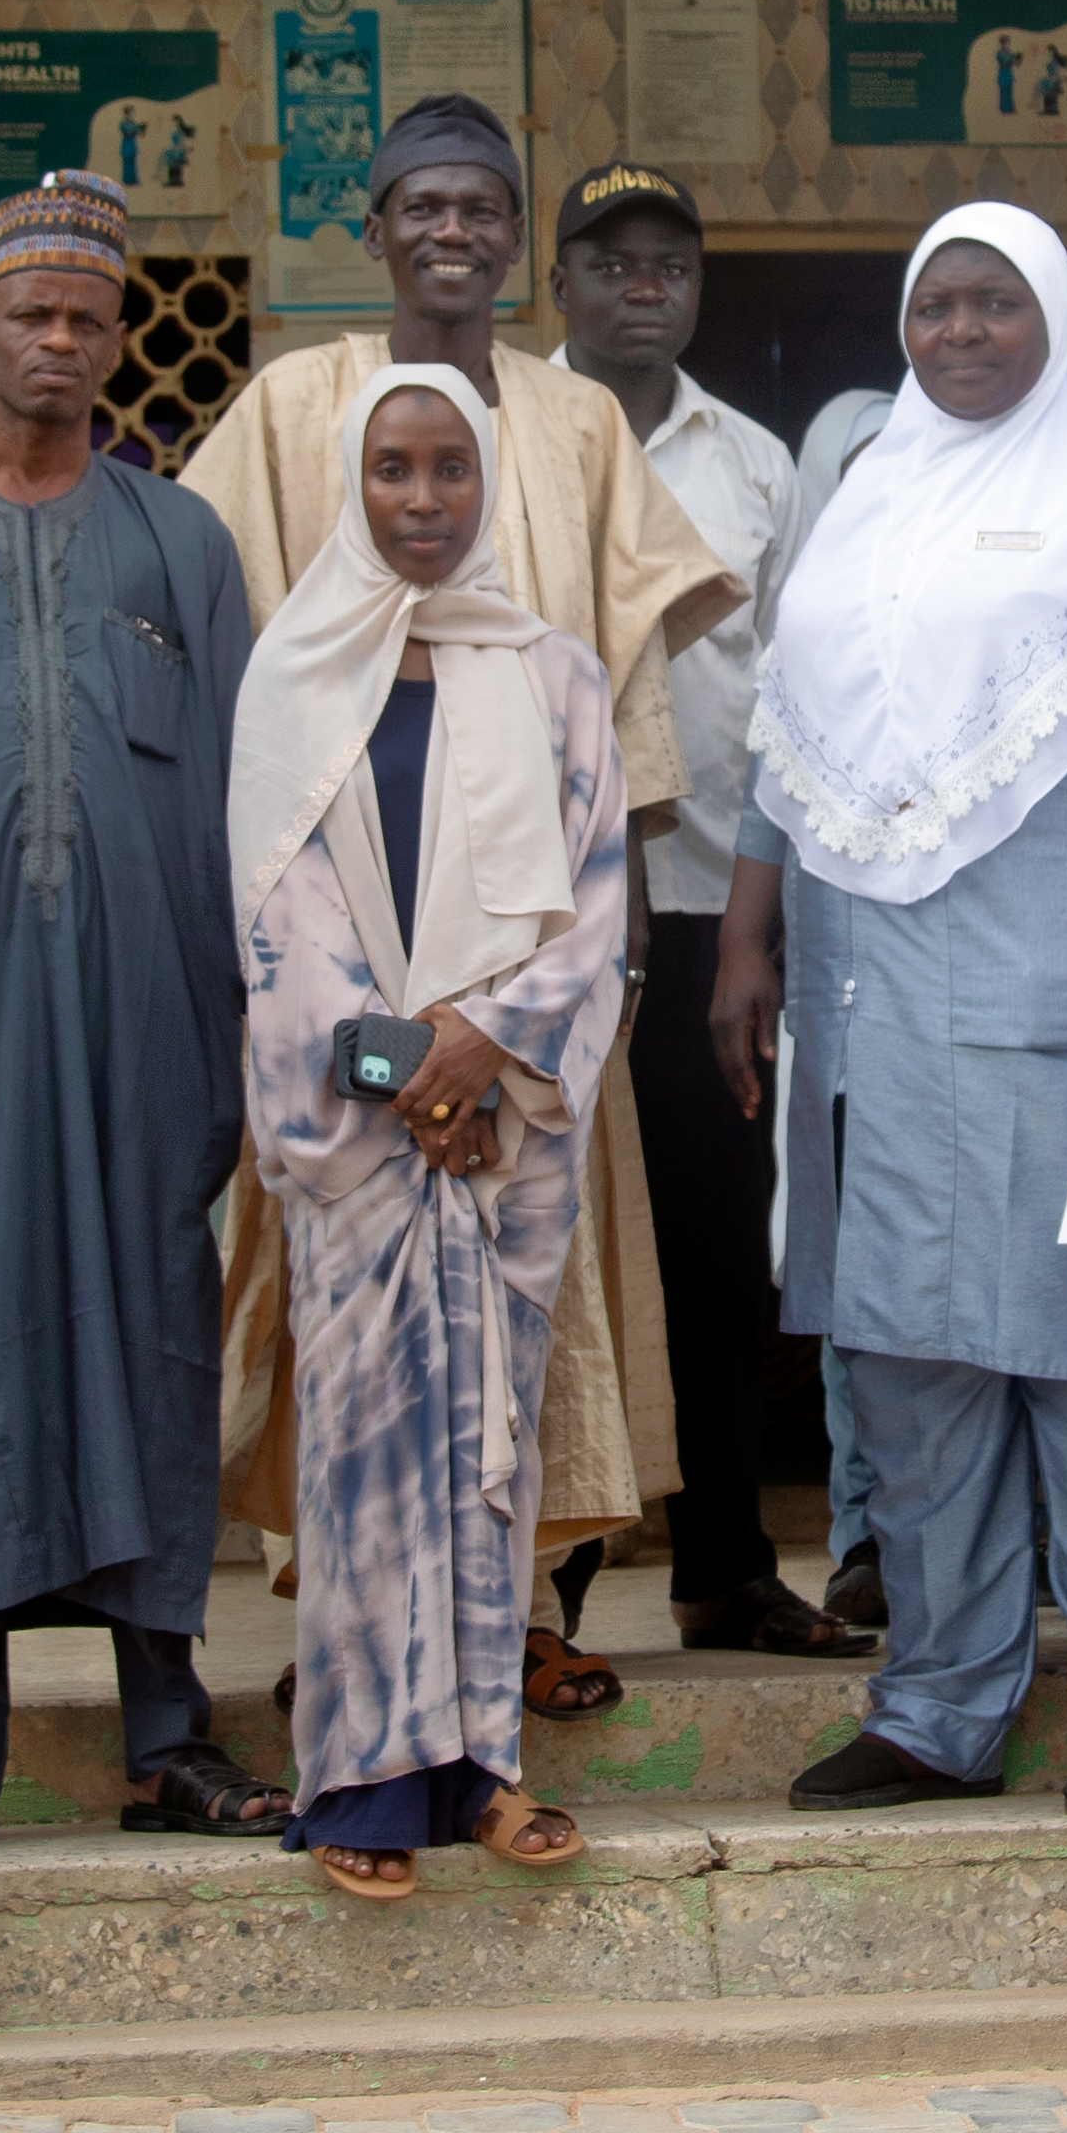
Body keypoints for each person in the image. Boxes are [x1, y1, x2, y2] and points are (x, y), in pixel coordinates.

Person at [184, 91, 742, 1715]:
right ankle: (340, 1619)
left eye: (480, 207)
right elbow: (227, 633)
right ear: (371, 229)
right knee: (346, 1267)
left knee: (544, 1268)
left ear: (514, 236)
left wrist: (611, 941)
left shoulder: (574, 426)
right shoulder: (296, 407)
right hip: (349, 935)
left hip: (537, 953)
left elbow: (624, 684)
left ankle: (526, 1611)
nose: (451, 231)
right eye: (419, 204)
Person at [712, 204, 1067, 1817]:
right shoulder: (867, 494)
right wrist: (747, 940)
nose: (957, 333)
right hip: (865, 1004)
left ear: (1054, 320)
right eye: (932, 305)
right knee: (908, 1368)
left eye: (993, 303)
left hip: (1055, 997)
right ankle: (935, 1707)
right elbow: (781, 735)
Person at [0, 171, 284, 1858]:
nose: (55, 340)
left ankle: (167, 1731)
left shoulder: (177, 540)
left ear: (117, 341)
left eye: (85, 319)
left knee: (148, 1348)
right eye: (26, 314)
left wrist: (254, 1018)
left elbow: (250, 791)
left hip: (146, 1023)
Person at [233, 367, 628, 1894]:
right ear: (352, 479)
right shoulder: (293, 678)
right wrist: (423, 1072)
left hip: (501, 1139)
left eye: (448, 470)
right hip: (375, 1141)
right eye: (390, 468)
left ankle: (482, 1772)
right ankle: (356, 1784)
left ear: (486, 484)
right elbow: (282, 933)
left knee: (486, 1460)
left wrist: (490, 1054)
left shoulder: (553, 677)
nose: (418, 498)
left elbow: (593, 918)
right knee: (363, 1464)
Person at [546, 162, 860, 1662]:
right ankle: (540, 1596)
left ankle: (724, 1567)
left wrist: (754, 935)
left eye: (668, 264)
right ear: (562, 287)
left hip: (698, 923)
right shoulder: (491, 432)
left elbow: (788, 707)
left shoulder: (753, 466)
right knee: (544, 1254)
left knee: (716, 1255)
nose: (642, 287)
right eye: (611, 265)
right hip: (534, 926)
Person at [783, 389, 896, 1631]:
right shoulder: (801, 628)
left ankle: (997, 1530)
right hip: (841, 998)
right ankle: (865, 1527)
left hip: (974, 1004)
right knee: (853, 1274)